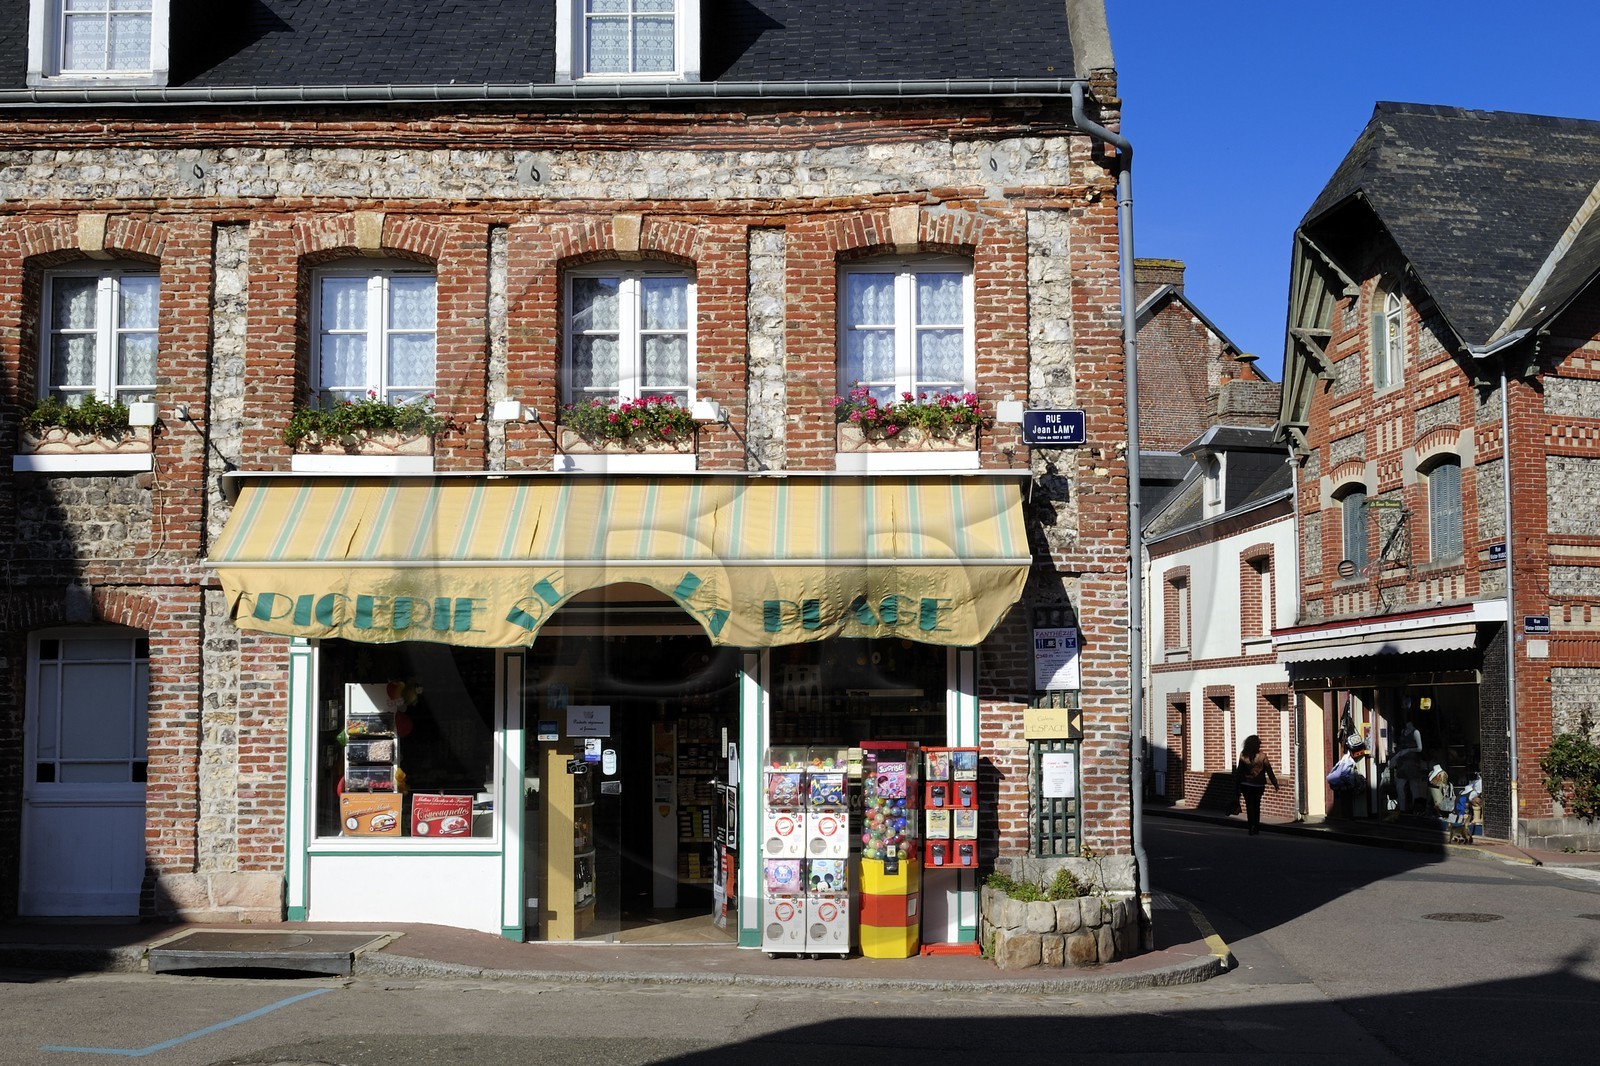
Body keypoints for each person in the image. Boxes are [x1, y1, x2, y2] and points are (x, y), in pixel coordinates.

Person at [1235, 734, 1280, 835]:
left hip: (1245, 784)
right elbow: (1269, 770)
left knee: (1249, 806)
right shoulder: (1262, 756)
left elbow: (1239, 771)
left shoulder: (1243, 755)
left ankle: (1251, 826)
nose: (1260, 744)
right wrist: (1275, 783)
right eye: (1259, 743)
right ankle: (1256, 827)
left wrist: (1236, 785)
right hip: (1259, 784)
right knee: (1256, 805)